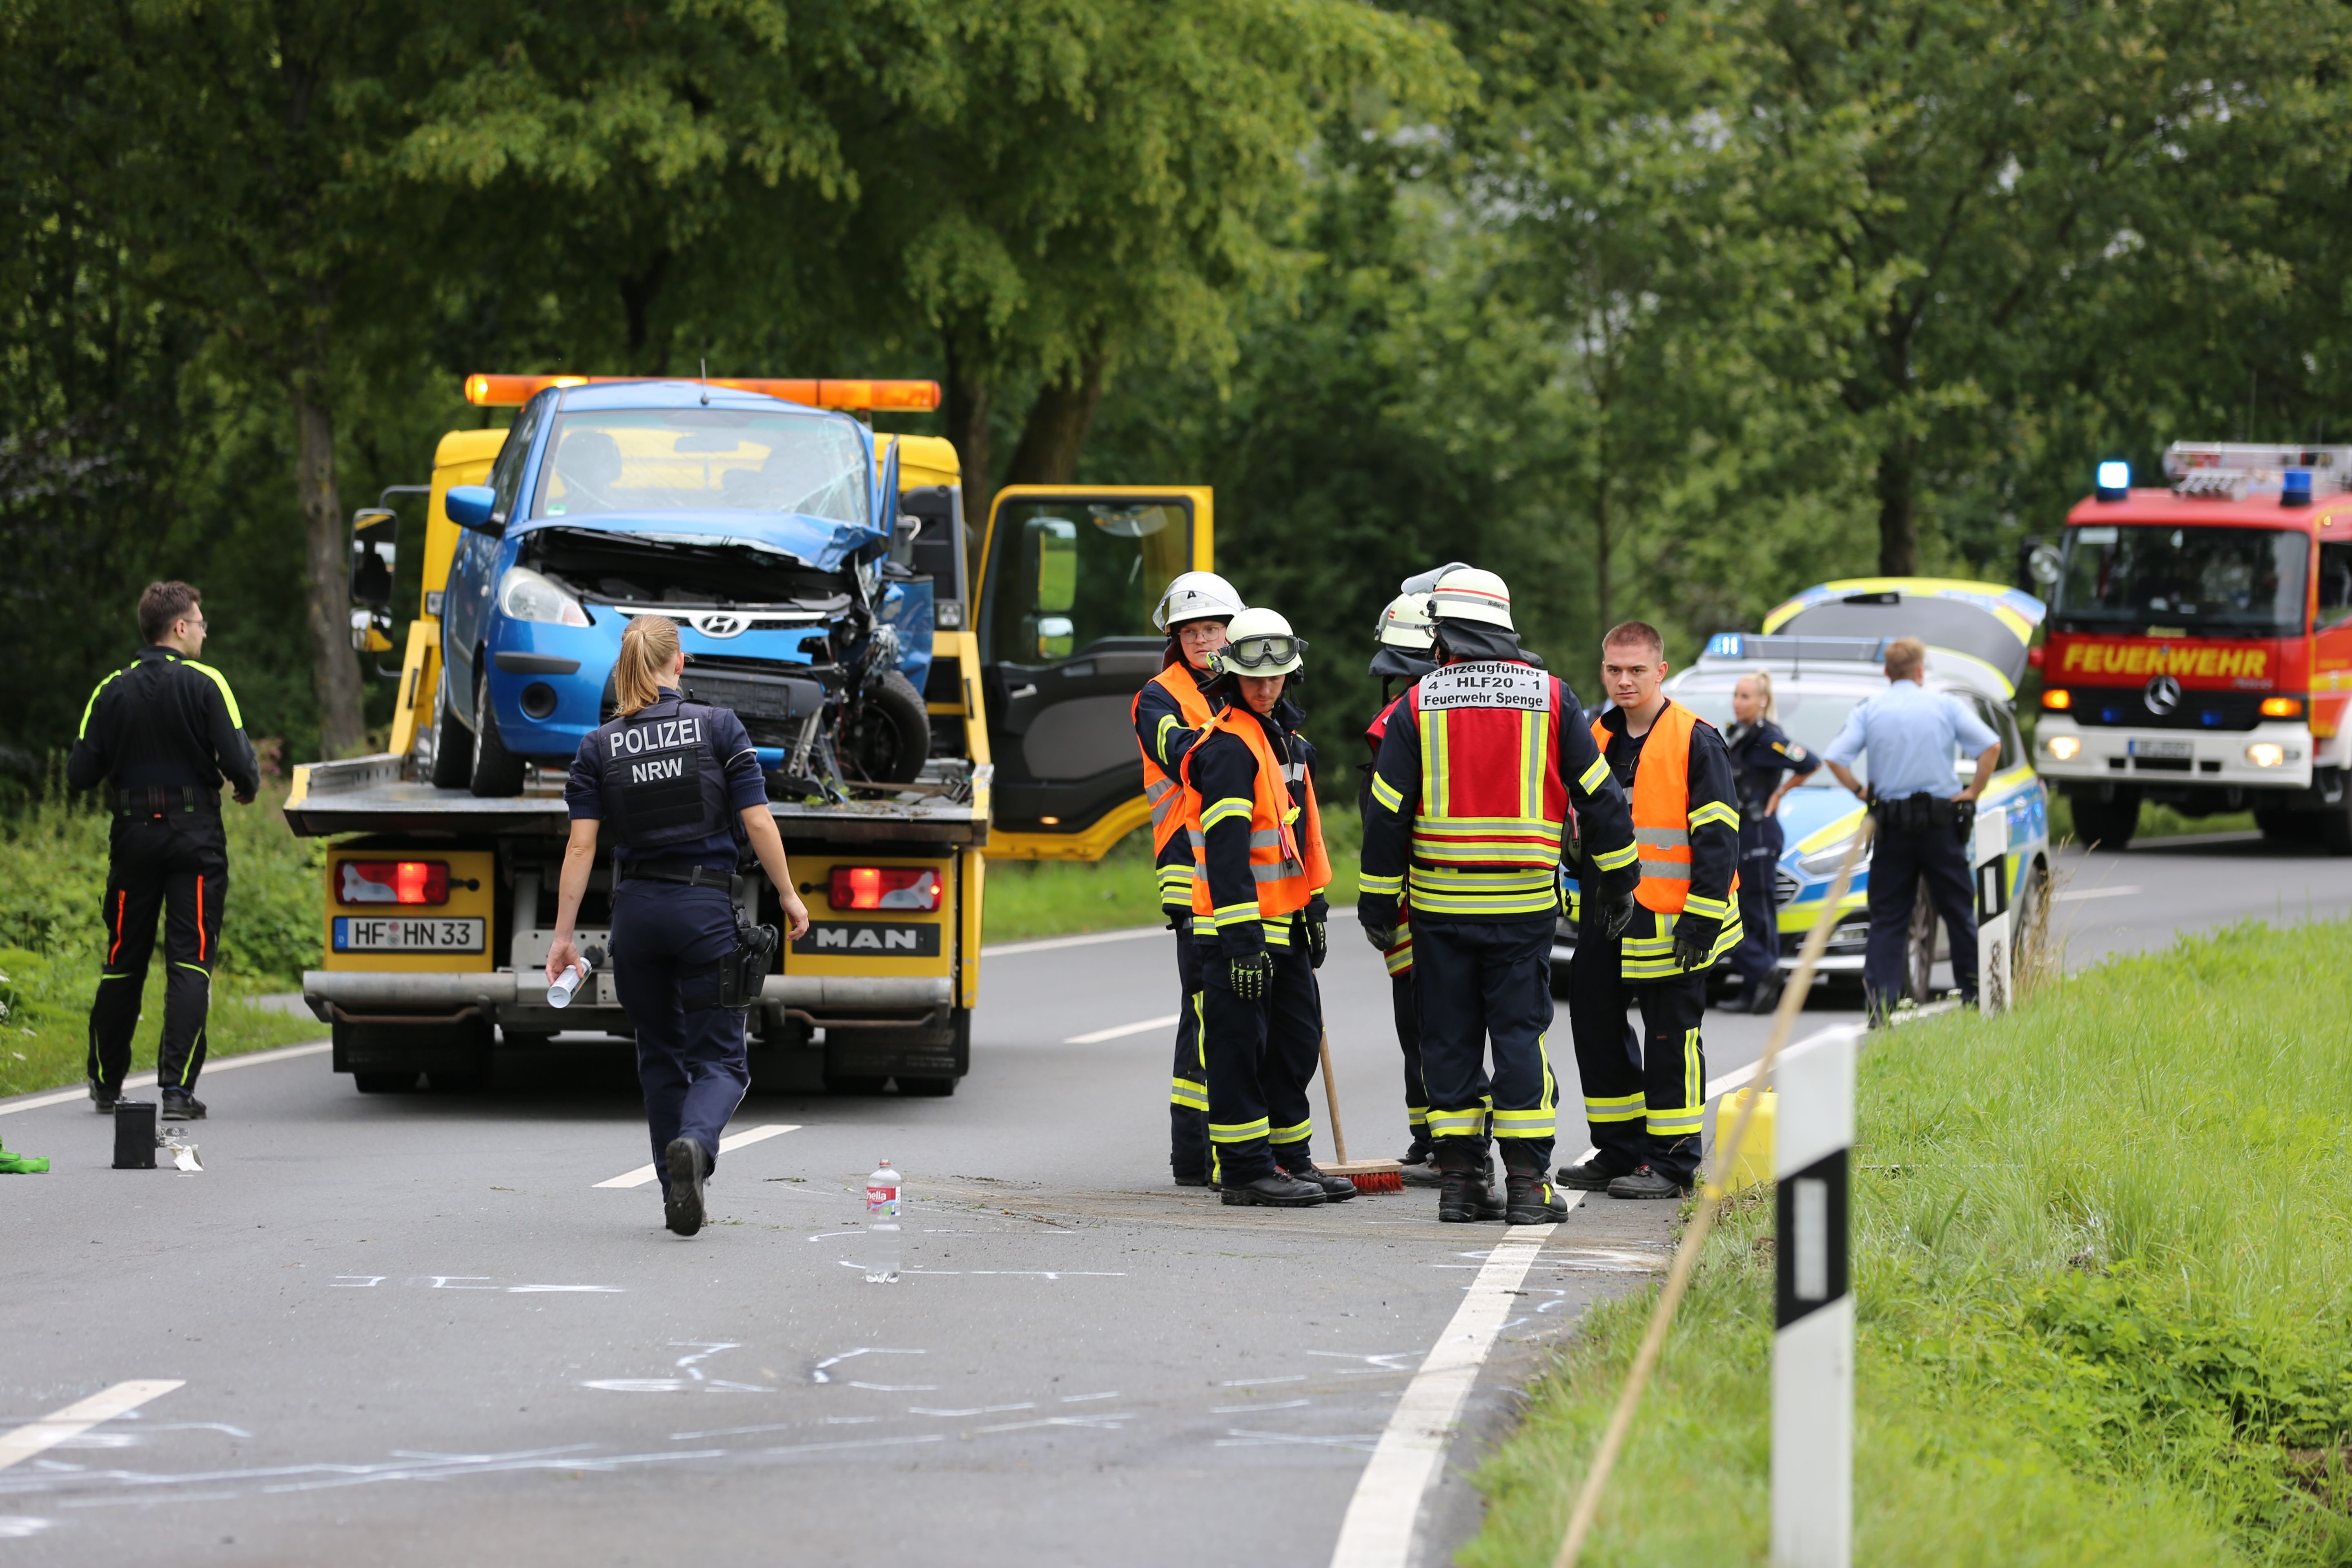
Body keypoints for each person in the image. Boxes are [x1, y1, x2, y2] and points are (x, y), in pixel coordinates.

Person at [1360, 568, 1642, 1225]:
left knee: (1450, 1039)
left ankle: (1460, 1184)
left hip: (1438, 908)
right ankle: (1526, 1186)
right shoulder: (1552, 697)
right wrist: (1621, 879)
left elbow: (1386, 815)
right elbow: (1600, 797)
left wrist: (1377, 904)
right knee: (1520, 1037)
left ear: (1445, 636)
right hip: (1521, 910)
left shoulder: (1417, 703)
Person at [546, 615, 812, 1236]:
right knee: (722, 1061)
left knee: (659, 1056)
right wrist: (789, 895)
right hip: (702, 912)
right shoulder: (719, 727)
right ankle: (695, 1143)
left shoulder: (597, 747)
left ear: (625, 669)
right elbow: (759, 823)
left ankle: (676, 1193)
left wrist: (563, 938)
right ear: (680, 663)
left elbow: (580, 852)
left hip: (635, 917)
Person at [1561, 622, 1743, 1200]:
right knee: (1596, 1032)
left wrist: (1703, 919)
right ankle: (1618, 1149)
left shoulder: (1697, 739)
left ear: (1661, 671)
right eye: (1614, 669)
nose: (1624, 680)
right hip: (1605, 919)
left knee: (1671, 1040)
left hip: (1677, 925)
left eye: (1636, 669)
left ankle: (1671, 1162)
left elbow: (1719, 838)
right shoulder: (1592, 735)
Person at [69, 581, 260, 1120]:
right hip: (194, 838)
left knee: (123, 956)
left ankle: (107, 1083)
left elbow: (80, 773)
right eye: (200, 624)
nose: (203, 632)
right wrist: (244, 785)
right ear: (179, 628)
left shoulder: (111, 689)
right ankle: (176, 1091)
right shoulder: (206, 683)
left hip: (133, 838)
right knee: (190, 958)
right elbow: (241, 762)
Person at [1178, 607, 1347, 1208]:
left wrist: (1317, 907)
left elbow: (1302, 838)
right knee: (1238, 1052)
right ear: (1232, 677)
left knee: (1294, 1045)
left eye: (1276, 676)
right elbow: (1226, 855)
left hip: (1287, 925)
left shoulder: (1290, 742)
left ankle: (1290, 1159)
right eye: (1255, 677)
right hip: (1239, 933)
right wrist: (1241, 941)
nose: (1266, 686)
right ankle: (1247, 1169)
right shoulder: (1227, 749)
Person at [1819, 636, 2001, 1022]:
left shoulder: (1871, 709)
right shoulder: (1944, 705)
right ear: (1920, 671)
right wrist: (1972, 791)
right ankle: (1974, 999)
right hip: (1940, 823)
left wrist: (1861, 791)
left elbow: (1836, 757)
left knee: (1888, 918)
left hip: (1893, 824)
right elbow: (1991, 747)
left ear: (1887, 671)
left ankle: (1880, 1010)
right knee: (1957, 912)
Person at [1133, 570, 1245, 1187]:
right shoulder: (1160, 695)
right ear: (1176, 639)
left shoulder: (1243, 690)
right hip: (1190, 874)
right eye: (1193, 631)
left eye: (1214, 628)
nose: (1204, 640)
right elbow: (1190, 759)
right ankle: (1197, 1155)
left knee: (1240, 1013)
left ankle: (1235, 1149)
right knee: (1206, 1012)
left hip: (1249, 875)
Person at [1360, 590, 1440, 1184]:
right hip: (1417, 903)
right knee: (1419, 1026)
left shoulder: (1410, 724)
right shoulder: (1402, 722)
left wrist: (1379, 900)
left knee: (1435, 1027)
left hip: (1427, 901)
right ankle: (1429, 1136)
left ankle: (1451, 1139)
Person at [1721, 670, 1819, 1014]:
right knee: (1749, 914)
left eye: (1745, 696)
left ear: (1763, 701)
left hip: (1759, 833)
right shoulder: (1740, 735)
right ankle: (1756, 992)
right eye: (1736, 695)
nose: (1738, 702)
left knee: (1757, 913)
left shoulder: (1768, 738)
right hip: (1741, 831)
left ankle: (1763, 974)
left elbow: (1810, 763)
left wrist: (1781, 791)